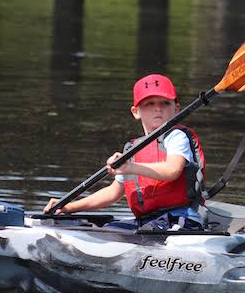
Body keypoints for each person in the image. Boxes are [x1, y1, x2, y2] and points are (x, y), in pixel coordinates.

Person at [44, 74, 206, 231]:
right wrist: (68, 207)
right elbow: (113, 192)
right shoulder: (132, 148)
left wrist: (130, 167)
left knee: (122, 234)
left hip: (181, 219)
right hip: (146, 222)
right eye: (149, 103)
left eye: (165, 103)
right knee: (108, 231)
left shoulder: (176, 136)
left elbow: (173, 170)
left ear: (176, 109)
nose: (157, 108)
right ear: (136, 112)